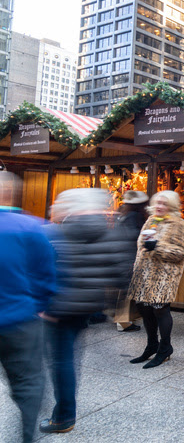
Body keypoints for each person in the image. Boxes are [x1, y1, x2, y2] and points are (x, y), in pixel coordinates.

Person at [40, 189, 130, 434]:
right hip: (87, 306)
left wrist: (46, 305)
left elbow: (49, 269)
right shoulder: (109, 232)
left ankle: (63, 417)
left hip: (59, 308)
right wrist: (109, 303)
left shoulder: (59, 232)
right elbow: (122, 273)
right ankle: (62, 412)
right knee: (69, 358)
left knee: (61, 361)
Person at [0, 172, 57, 443]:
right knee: (28, 381)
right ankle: (26, 435)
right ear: (12, 192)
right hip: (20, 319)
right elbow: (46, 273)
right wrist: (41, 305)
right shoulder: (32, 227)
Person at [127, 190, 184, 369]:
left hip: (163, 275)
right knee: (144, 308)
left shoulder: (180, 224)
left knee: (160, 310)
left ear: (171, 206)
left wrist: (158, 247)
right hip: (143, 273)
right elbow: (141, 244)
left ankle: (165, 348)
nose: (159, 206)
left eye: (164, 204)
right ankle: (151, 345)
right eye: (157, 203)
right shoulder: (151, 220)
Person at [114, 190, 149, 332]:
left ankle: (124, 319)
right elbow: (134, 235)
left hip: (121, 256)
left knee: (126, 291)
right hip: (130, 257)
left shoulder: (123, 214)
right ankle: (123, 322)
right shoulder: (135, 216)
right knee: (128, 292)